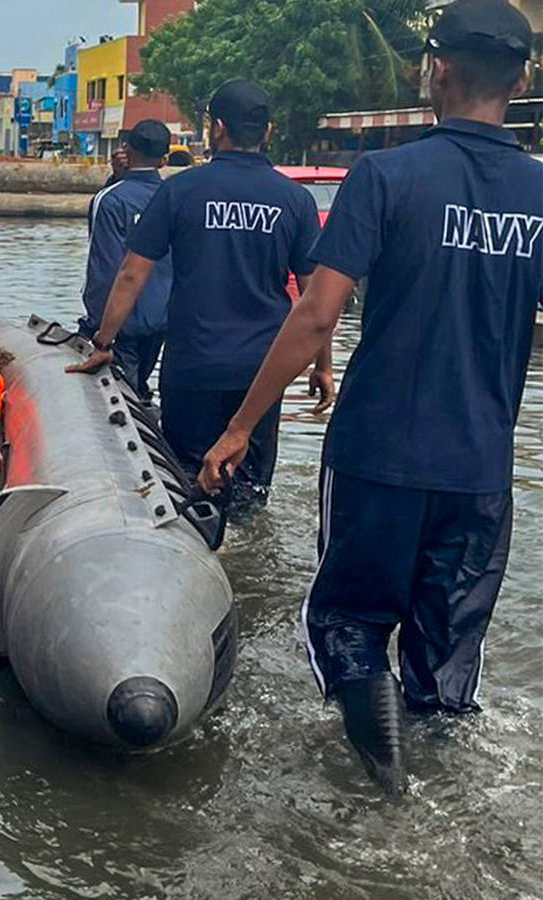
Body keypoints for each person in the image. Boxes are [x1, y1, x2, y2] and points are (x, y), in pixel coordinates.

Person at [199, 0, 542, 796]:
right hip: (482, 473)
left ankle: (385, 786)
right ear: (521, 79)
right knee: (446, 656)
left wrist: (240, 427)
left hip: (379, 456)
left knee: (347, 626)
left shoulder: (384, 177)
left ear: (437, 69)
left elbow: (315, 312)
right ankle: (445, 800)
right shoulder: (537, 192)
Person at [68, 78, 334, 510]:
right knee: (248, 496)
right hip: (263, 372)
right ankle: (248, 573)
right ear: (267, 132)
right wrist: (322, 365)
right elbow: (313, 296)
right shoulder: (294, 200)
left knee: (189, 490)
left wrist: (103, 342)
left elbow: (132, 274)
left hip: (193, 365)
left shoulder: (181, 190)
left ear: (217, 128)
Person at [79, 120, 174, 401]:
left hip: (120, 324)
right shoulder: (173, 196)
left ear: (125, 150)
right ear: (164, 159)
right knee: (139, 389)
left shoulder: (111, 200)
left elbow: (104, 269)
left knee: (116, 395)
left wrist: (98, 331)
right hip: (162, 320)